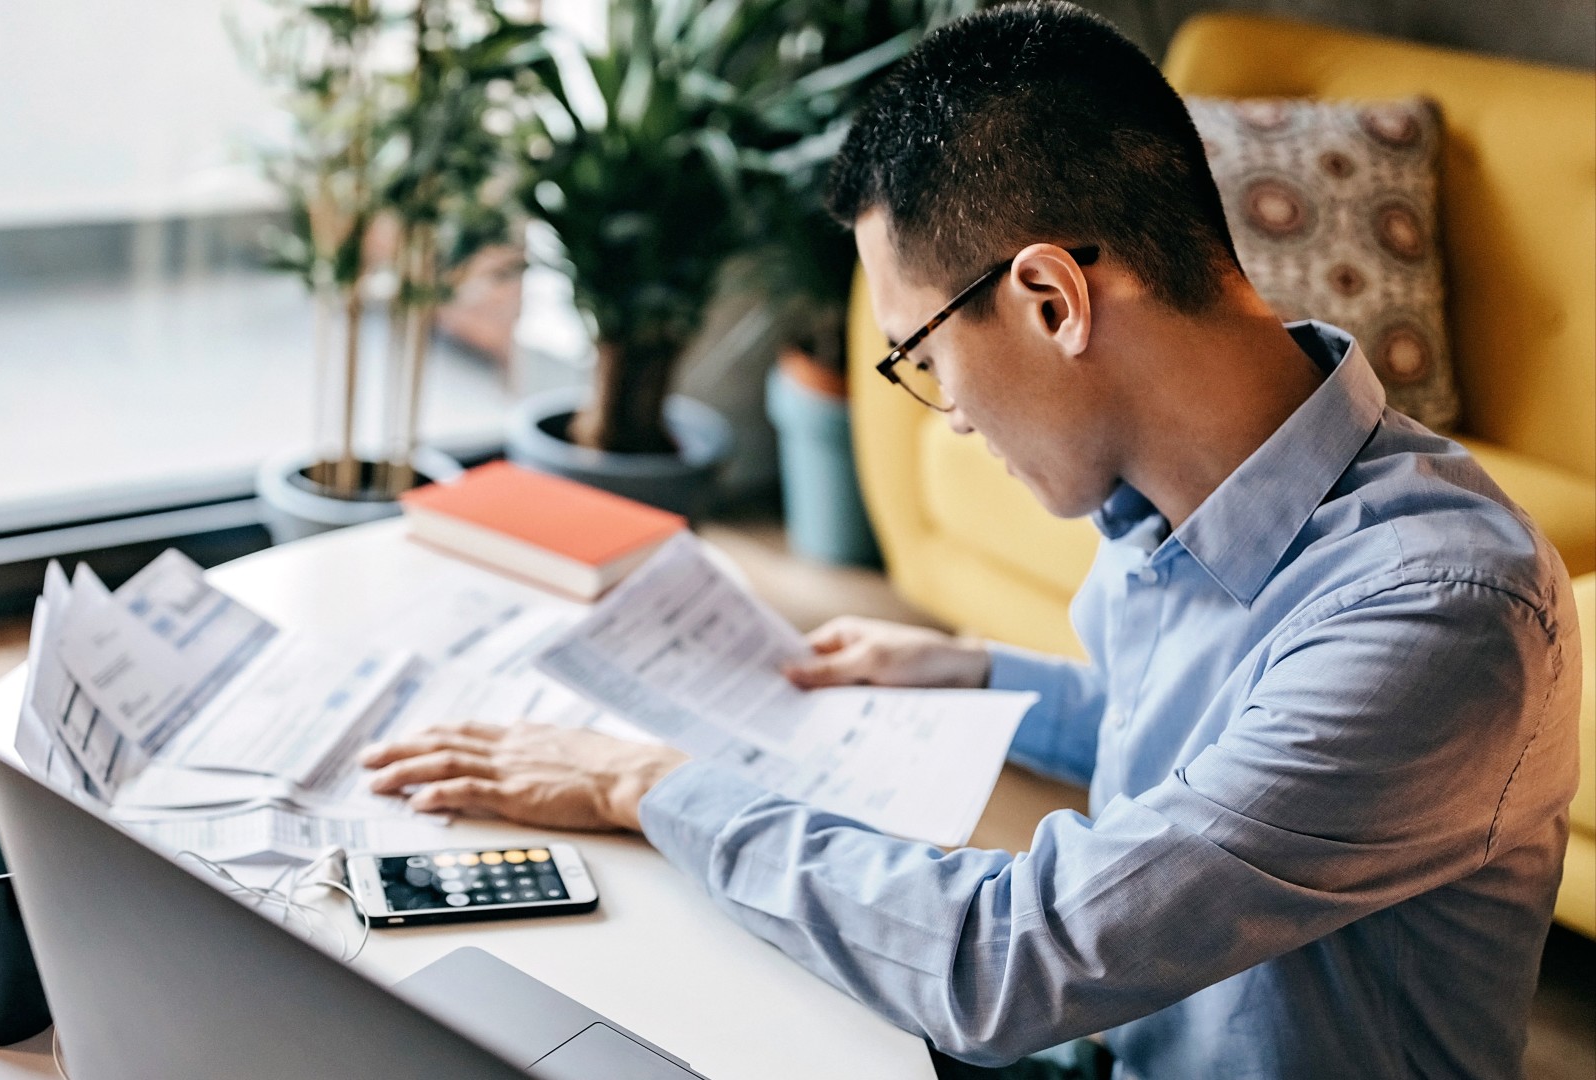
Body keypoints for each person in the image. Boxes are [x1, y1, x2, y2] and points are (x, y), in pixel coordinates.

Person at [359, 4, 1582, 1077]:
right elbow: (1203, 737)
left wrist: (646, 785)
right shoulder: (1188, 490)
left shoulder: (1439, 612)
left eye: (923, 355)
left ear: (1054, 299)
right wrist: (975, 672)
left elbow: (1018, 961)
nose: (945, 410)